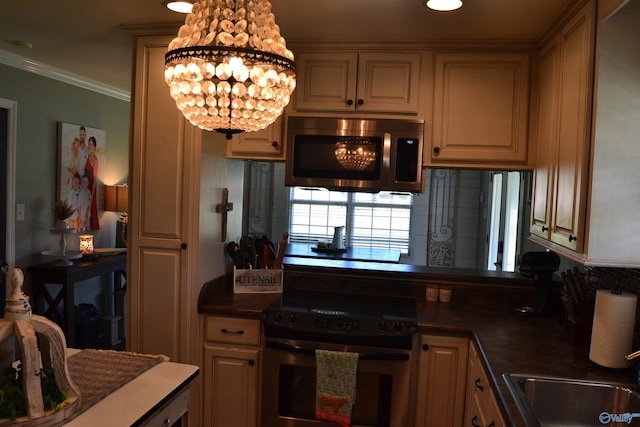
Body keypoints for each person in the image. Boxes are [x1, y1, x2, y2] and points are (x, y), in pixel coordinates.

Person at [84, 136, 100, 230]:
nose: (90, 146)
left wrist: (92, 194)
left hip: (91, 187)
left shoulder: (95, 160)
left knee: (91, 208)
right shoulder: (88, 157)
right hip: (85, 186)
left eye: (92, 145)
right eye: (89, 144)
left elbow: (95, 179)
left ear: (94, 146)